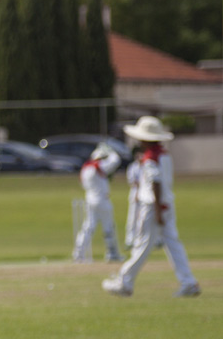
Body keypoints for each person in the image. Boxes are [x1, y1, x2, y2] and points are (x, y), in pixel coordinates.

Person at [102, 116, 200, 297]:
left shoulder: (150, 158)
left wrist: (157, 211)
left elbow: (155, 183)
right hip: (166, 204)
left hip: (153, 206)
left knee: (143, 245)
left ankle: (125, 282)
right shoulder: (163, 155)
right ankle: (188, 282)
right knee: (173, 244)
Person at [72, 142, 124, 263]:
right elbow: (116, 161)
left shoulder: (85, 168)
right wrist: (111, 151)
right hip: (102, 200)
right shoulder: (98, 166)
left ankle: (78, 254)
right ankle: (112, 254)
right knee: (109, 227)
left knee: (88, 227)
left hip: (89, 199)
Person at [123, 146, 141, 250]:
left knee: (143, 219)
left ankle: (141, 240)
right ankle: (129, 240)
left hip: (146, 195)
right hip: (135, 194)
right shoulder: (132, 167)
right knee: (132, 219)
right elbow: (133, 182)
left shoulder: (146, 165)